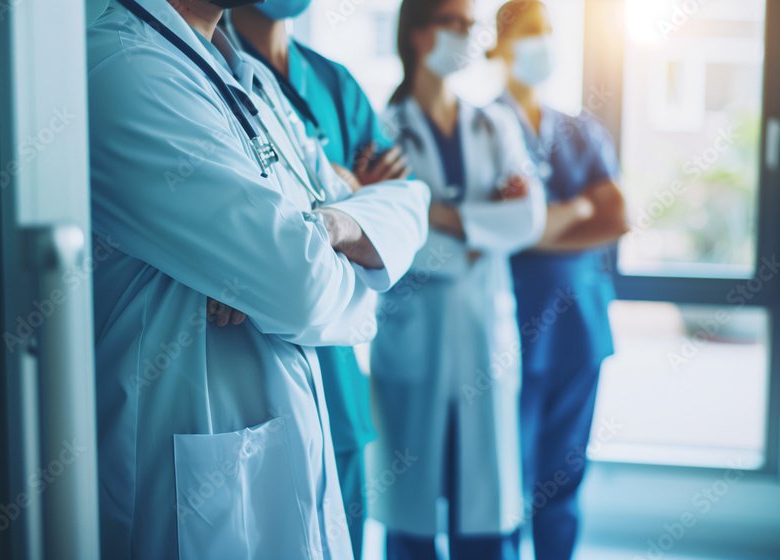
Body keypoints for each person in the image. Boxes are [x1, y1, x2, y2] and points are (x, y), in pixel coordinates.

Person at [86, 0, 431, 556]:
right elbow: (302, 290)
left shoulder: (249, 79)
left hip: (279, 440)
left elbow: (410, 203)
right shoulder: (123, 68)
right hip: (189, 468)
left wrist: (337, 223)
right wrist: (342, 251)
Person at [228, 2, 410, 556]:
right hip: (256, 350)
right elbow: (253, 236)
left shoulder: (333, 81)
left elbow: (390, 211)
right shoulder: (213, 62)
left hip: (339, 373)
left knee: (343, 531)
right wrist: (349, 195)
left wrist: (343, 210)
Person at [367, 0, 547, 558]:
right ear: (420, 34)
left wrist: (437, 215)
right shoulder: (382, 128)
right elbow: (382, 236)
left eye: (474, 25)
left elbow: (529, 217)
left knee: (485, 515)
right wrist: (478, 230)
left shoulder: (494, 123)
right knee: (411, 516)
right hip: (413, 338)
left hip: (482, 339)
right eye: (458, 24)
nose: (472, 35)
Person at [488, 2, 629, 559]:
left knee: (562, 479)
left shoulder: (579, 128)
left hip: (577, 328)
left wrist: (538, 227)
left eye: (549, 31)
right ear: (501, 44)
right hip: (506, 327)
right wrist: (574, 210)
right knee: (500, 481)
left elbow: (617, 216)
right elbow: (492, 231)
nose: (543, 42)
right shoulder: (481, 127)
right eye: (529, 32)